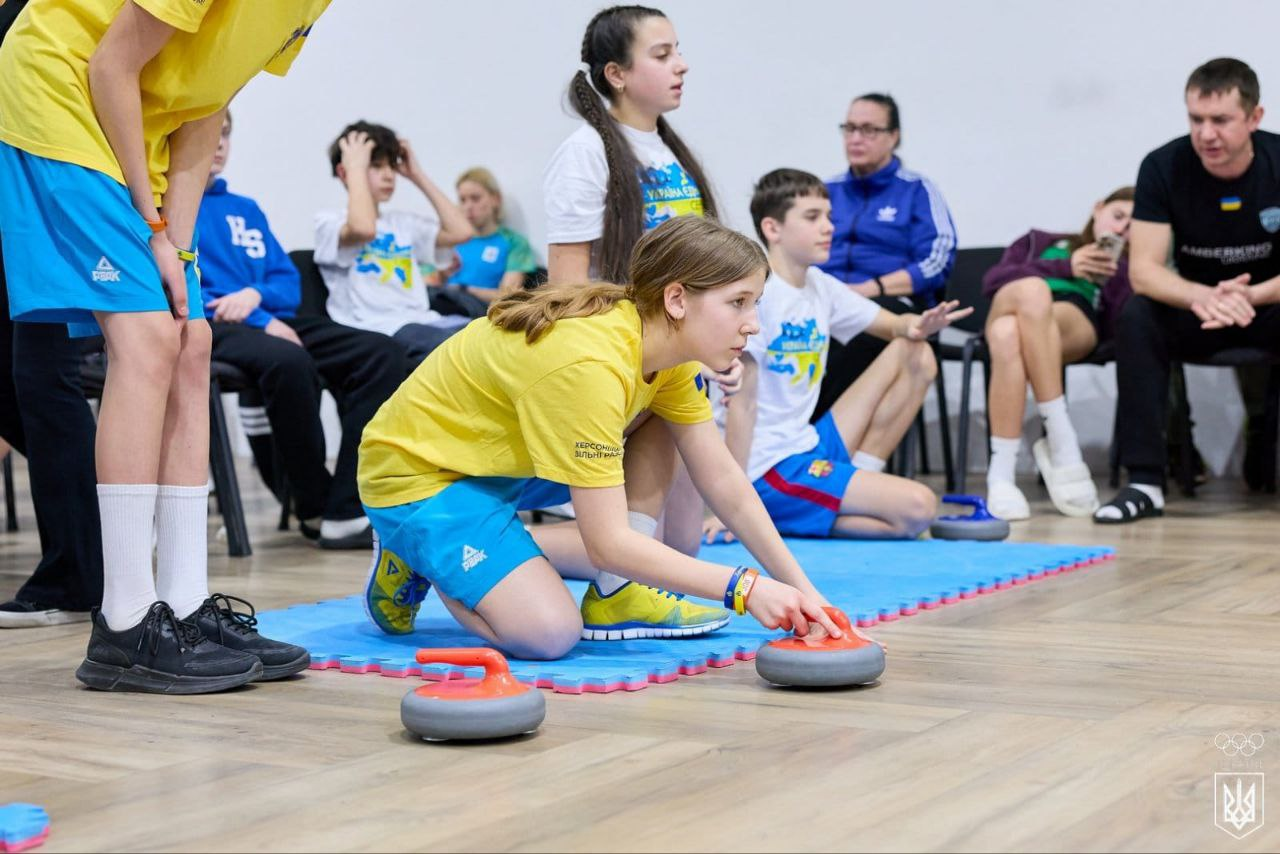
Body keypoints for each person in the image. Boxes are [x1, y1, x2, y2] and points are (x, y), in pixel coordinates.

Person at [0, 0, 324, 691]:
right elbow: (112, 63)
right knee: (146, 339)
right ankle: (122, 622)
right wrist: (150, 223)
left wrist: (175, 243)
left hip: (136, 123)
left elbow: (208, 103)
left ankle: (182, 604)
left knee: (190, 340)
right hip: (63, 92)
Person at [358, 216, 866, 657]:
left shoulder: (664, 349)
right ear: (676, 299)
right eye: (738, 303)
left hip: (501, 465)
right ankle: (419, 553)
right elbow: (608, 544)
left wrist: (806, 592)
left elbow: (724, 481)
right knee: (551, 633)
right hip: (420, 476)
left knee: (667, 548)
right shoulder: (590, 366)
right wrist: (745, 589)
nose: (753, 325)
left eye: (755, 304)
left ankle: (612, 592)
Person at [542, 3, 740, 565]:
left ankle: (623, 579)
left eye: (678, 50)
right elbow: (567, 292)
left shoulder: (671, 152)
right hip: (631, 365)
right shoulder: (585, 153)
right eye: (662, 54)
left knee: (682, 550)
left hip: (679, 363)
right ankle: (454, 545)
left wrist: (719, 346)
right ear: (617, 74)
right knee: (650, 551)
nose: (681, 65)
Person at [703, 169, 965, 543]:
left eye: (828, 216)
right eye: (812, 217)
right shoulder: (758, 295)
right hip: (766, 465)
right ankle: (764, 513)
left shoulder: (820, 286)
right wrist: (731, 505)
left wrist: (918, 324)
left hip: (807, 442)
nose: (828, 227)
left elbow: (896, 327)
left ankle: (855, 479)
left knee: (915, 352)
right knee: (918, 507)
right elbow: (740, 407)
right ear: (773, 229)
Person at [196, 112, 405, 549]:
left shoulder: (245, 209)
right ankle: (313, 502)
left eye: (226, 134)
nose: (218, 144)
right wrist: (260, 317)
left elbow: (286, 283)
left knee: (381, 353)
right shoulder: (165, 203)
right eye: (207, 133)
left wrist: (256, 297)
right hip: (209, 323)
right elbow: (182, 288)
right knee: (288, 359)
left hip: (265, 316)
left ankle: (346, 507)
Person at [1098, 57, 1280, 523]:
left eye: (1221, 120)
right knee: (1138, 316)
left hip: (1267, 304)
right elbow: (1144, 270)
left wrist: (1252, 296)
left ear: (1254, 118)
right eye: (1196, 119)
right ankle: (1145, 482)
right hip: (1197, 307)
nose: (1207, 134)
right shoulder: (1162, 166)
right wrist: (1204, 296)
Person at [0, 0, 104, 629]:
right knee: (15, 386)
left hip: (41, 212)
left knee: (44, 380)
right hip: (12, 217)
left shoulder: (39, 14)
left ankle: (77, 575)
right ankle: (87, 553)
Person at [981, 188, 1135, 520]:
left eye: (1133, 225)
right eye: (1119, 216)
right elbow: (993, 280)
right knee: (1031, 292)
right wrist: (1067, 266)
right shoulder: (1039, 240)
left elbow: (1122, 319)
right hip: (1013, 301)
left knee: (1008, 334)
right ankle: (1062, 439)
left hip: (1072, 318)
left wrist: (1118, 271)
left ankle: (1001, 473)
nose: (1122, 229)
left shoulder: (1126, 264)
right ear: (1098, 209)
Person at [815, 93, 958, 420]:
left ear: (894, 136)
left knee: (869, 321)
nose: (855, 138)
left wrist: (870, 289)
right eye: (849, 128)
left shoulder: (917, 189)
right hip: (825, 297)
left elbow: (937, 261)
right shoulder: (826, 191)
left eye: (868, 130)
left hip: (888, 301)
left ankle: (813, 431)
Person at [315, 120, 476, 364]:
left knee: (488, 338)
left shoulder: (402, 223)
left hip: (425, 320)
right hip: (379, 328)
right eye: (376, 166)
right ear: (344, 172)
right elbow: (363, 228)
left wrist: (416, 174)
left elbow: (462, 232)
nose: (389, 174)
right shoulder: (330, 222)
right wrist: (355, 168)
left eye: (392, 165)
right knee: (455, 352)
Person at [445, 167, 539, 302]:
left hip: (480, 312)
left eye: (475, 198)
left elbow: (507, 296)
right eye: (463, 200)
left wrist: (466, 290)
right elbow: (428, 282)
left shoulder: (514, 242)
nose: (468, 207)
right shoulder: (451, 240)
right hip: (442, 308)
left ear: (496, 199)